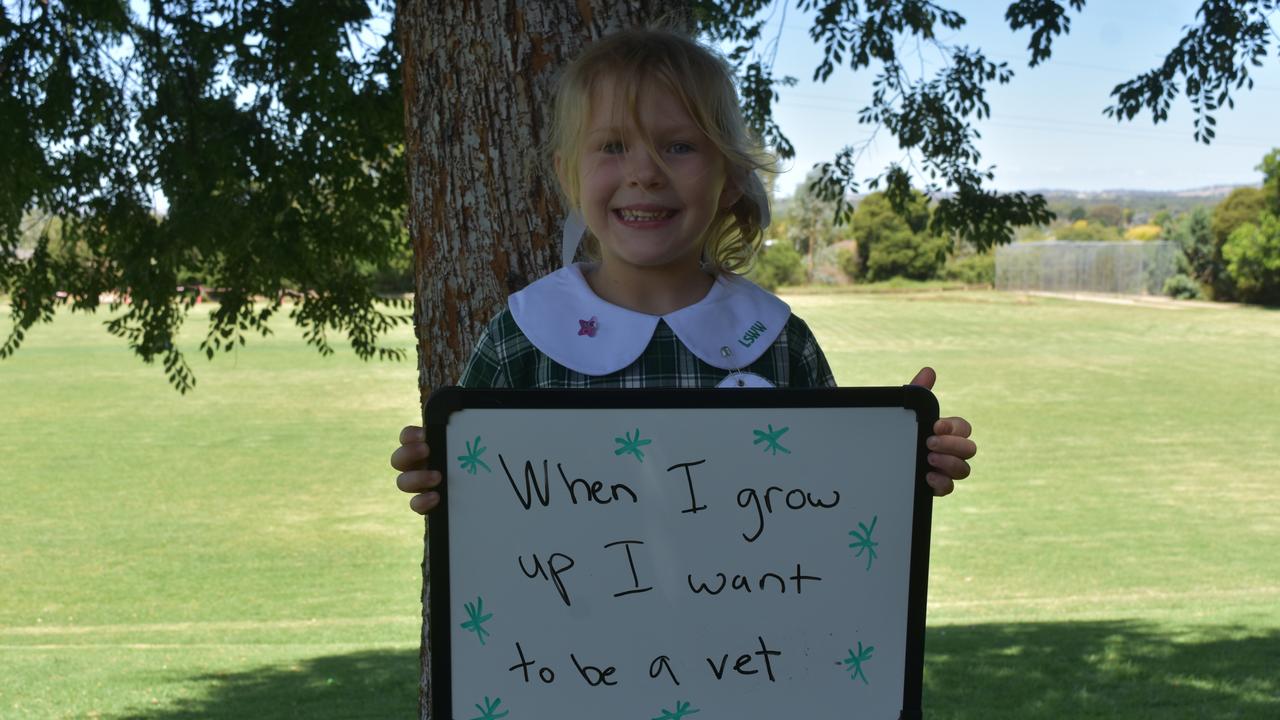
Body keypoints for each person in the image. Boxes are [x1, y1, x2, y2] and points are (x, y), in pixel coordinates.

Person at [393, 27, 975, 514]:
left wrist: (904, 455)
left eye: (678, 147)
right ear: (568, 175)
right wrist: (438, 473)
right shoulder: (522, 336)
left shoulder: (777, 340)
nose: (644, 173)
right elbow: (478, 496)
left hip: (749, 646)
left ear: (730, 180)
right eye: (614, 146)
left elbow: (828, 491)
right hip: (569, 649)